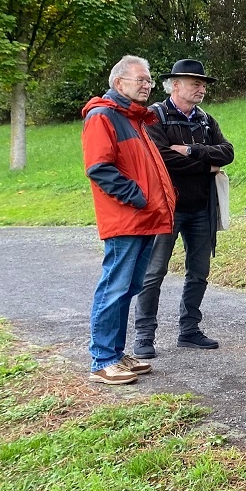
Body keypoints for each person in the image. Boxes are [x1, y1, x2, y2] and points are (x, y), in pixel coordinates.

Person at [81, 56, 176, 385]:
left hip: (144, 219)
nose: (147, 85)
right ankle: (102, 359)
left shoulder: (134, 118)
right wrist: (137, 196)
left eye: (149, 80)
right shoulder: (102, 116)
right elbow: (99, 168)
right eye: (141, 79)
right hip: (126, 219)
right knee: (115, 286)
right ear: (119, 82)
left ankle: (116, 354)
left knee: (129, 287)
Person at [131, 59, 234, 358]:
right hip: (166, 208)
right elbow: (162, 159)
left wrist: (191, 150)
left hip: (202, 208)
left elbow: (227, 153)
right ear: (175, 85)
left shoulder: (206, 120)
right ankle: (144, 335)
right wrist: (207, 165)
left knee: (199, 272)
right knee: (154, 273)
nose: (202, 89)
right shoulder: (155, 116)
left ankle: (189, 331)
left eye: (203, 85)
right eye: (195, 84)